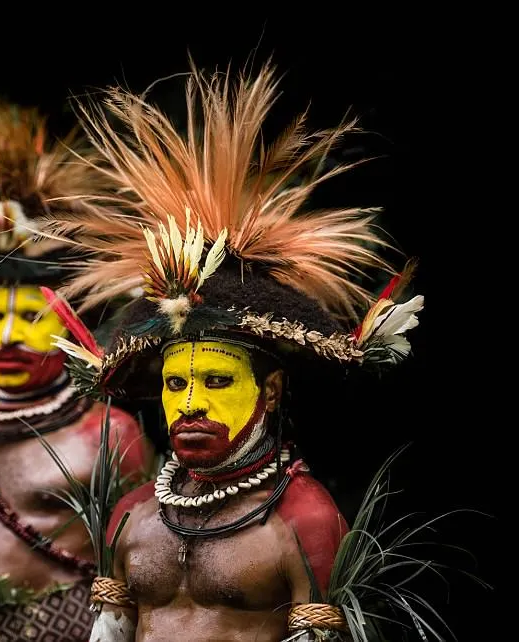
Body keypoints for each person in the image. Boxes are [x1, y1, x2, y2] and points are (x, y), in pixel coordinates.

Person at [43, 63, 435, 641]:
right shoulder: (131, 515)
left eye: (218, 381)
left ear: (270, 391)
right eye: (176, 384)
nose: (190, 403)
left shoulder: (305, 519)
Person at [0, 101, 155, 641]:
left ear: (69, 325)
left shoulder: (109, 435)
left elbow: (142, 568)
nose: (7, 335)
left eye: (29, 317)